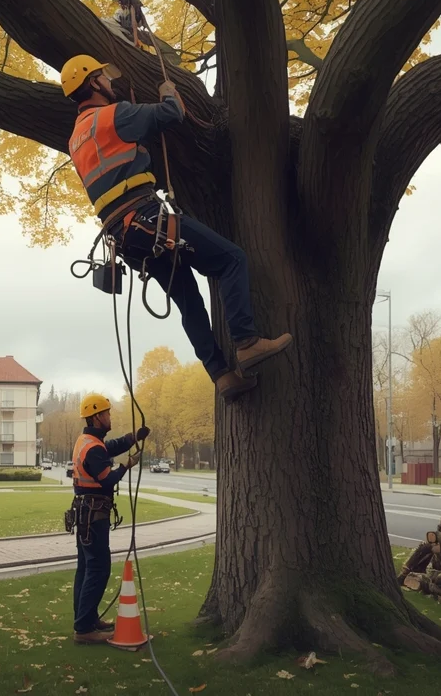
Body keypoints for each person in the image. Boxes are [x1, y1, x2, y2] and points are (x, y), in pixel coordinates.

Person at [60, 54, 294, 402]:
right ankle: (246, 342)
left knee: (187, 299)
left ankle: (221, 375)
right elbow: (172, 114)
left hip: (125, 238)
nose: (110, 83)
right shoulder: (115, 114)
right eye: (103, 78)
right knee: (231, 259)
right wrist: (169, 91)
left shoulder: (76, 140)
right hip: (147, 218)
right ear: (92, 83)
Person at [69, 392, 146, 644]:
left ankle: (86, 619)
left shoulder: (89, 440)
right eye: (107, 413)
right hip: (93, 514)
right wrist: (126, 465)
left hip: (86, 513)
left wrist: (132, 438)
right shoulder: (92, 447)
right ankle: (84, 628)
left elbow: (109, 447)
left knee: (86, 567)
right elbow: (107, 479)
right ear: (96, 416)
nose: (110, 416)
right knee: (98, 568)